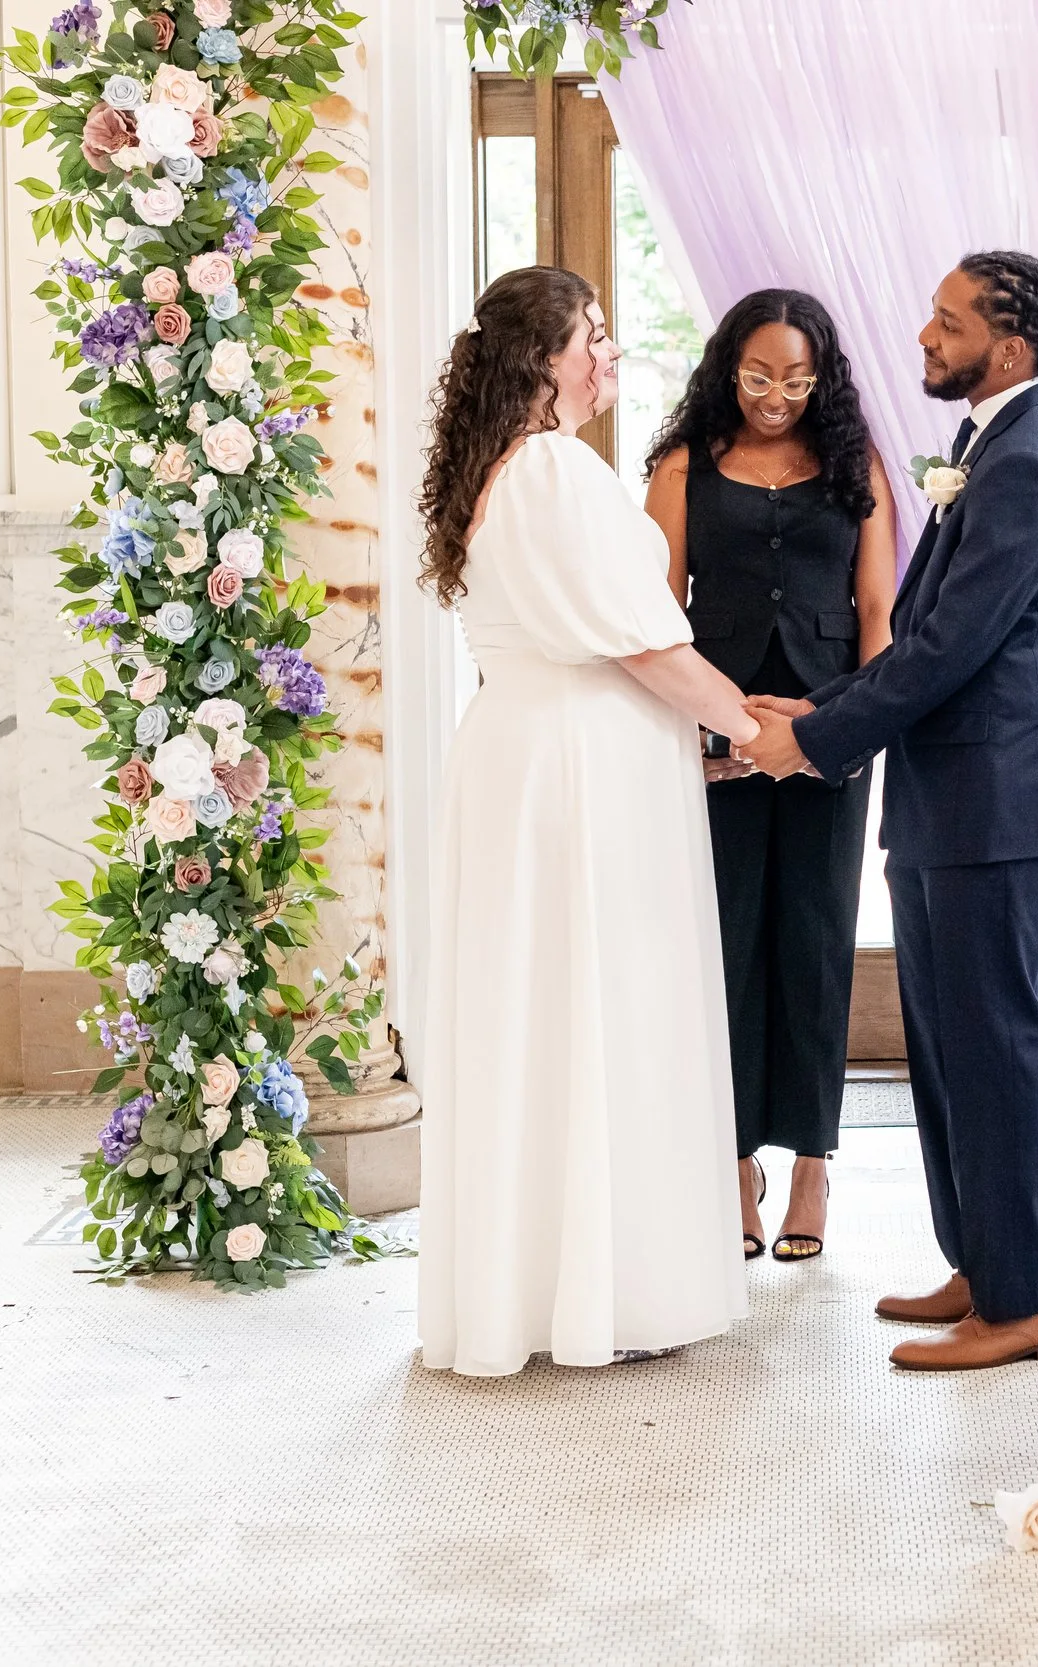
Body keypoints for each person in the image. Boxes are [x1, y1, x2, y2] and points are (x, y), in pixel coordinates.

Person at [741, 251, 1038, 1372]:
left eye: (945, 322)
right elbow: (922, 632)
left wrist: (809, 738)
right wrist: (821, 703)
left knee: (994, 1046)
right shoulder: (983, 443)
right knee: (946, 1049)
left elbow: (953, 649)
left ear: (1012, 343)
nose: (921, 336)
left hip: (998, 797)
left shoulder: (1031, 462)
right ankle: (984, 1263)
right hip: (949, 795)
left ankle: (1031, 1298)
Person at [412, 266, 759, 1374]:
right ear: (540, 361)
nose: (608, 357)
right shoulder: (554, 468)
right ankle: (606, 1291)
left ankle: (541, 1283)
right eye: (591, 337)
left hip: (523, 759)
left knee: (540, 1016)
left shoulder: (494, 472)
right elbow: (646, 643)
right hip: (575, 773)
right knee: (595, 1005)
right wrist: (758, 730)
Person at [644, 291, 897, 1266]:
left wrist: (850, 723)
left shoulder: (853, 465)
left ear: (821, 376)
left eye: (796, 380)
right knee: (728, 942)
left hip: (831, 729)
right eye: (757, 378)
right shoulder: (682, 467)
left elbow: (875, 609)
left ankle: (812, 1164)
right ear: (726, 368)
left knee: (817, 943)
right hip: (713, 728)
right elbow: (660, 612)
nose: (776, 397)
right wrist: (721, 722)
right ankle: (734, 1159)